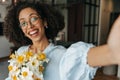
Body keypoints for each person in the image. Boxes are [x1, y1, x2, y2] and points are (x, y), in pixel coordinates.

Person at [3, 1, 120, 80]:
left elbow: (84, 59)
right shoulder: (20, 53)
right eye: (23, 23)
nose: (29, 25)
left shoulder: (61, 54)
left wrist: (110, 53)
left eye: (33, 18)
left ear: (45, 21)